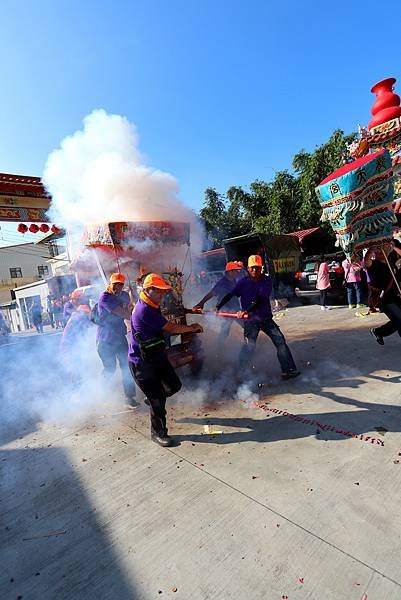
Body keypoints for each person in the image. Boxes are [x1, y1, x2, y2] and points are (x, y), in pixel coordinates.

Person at [128, 273, 203, 447]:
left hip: (157, 356)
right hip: (142, 362)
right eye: (159, 291)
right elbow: (170, 327)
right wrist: (191, 328)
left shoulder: (152, 304)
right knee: (158, 400)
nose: (163, 294)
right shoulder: (144, 309)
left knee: (175, 385)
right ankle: (158, 433)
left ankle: (153, 398)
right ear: (147, 290)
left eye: (163, 291)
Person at [216, 255, 299, 380]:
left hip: (265, 319)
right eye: (252, 268)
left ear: (261, 268)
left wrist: (244, 311)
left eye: (257, 268)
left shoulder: (266, 281)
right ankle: (240, 373)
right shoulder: (243, 282)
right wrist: (218, 306)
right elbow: (231, 294)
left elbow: (260, 300)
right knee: (248, 347)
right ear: (248, 269)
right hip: (251, 322)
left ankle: (288, 371)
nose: (255, 270)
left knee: (280, 342)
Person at [97, 273, 137, 405]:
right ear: (110, 283)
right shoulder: (105, 297)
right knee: (110, 369)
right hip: (105, 340)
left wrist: (132, 294)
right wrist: (137, 320)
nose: (118, 287)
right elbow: (122, 313)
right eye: (115, 284)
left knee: (127, 366)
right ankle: (99, 392)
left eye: (120, 284)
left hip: (119, 337)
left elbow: (131, 307)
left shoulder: (125, 295)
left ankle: (129, 397)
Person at [193, 261, 244, 344]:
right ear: (230, 272)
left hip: (235, 308)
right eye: (236, 270)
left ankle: (250, 342)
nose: (238, 272)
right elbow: (211, 293)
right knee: (225, 329)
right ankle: (219, 347)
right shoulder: (222, 283)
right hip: (226, 309)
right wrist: (201, 303)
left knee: (244, 325)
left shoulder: (233, 279)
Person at [365, 244, 401, 345]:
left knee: (397, 321)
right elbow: (366, 262)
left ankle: (378, 332)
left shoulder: (392, 264)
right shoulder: (374, 264)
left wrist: (393, 246)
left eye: (382, 250)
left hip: (396, 297)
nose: (379, 252)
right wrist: (371, 249)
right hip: (385, 299)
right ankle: (379, 332)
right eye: (377, 251)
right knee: (400, 320)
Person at [60, 304, 93, 379]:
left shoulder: (76, 318)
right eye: (87, 313)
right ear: (82, 313)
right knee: (75, 368)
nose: (88, 315)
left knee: (78, 367)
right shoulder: (78, 319)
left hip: (70, 346)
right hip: (69, 347)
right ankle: (76, 388)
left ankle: (79, 385)